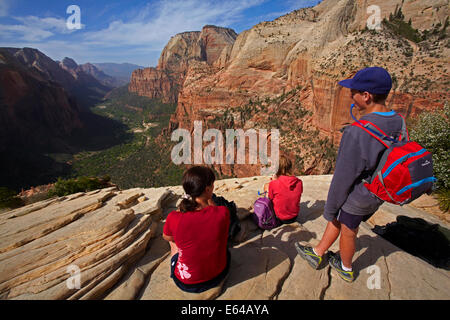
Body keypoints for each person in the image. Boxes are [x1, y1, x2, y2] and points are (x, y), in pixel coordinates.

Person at [295, 67, 404, 282]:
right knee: (341, 219)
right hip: (381, 187)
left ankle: (345, 267)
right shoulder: (398, 120)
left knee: (348, 229)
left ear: (366, 96)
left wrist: (331, 206)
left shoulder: (357, 131)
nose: (349, 94)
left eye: (353, 91)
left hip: (362, 194)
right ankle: (318, 253)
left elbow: (343, 177)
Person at [163, 166, 231, 293]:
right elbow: (214, 212)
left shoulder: (174, 217)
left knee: (173, 242)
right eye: (212, 185)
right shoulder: (223, 213)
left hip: (185, 282)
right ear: (207, 189)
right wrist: (209, 198)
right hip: (218, 275)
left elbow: (167, 237)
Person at [263, 155, 303, 224]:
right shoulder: (299, 182)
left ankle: (267, 212)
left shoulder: (274, 183)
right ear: (290, 167)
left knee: (267, 186)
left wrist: (273, 182)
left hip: (280, 218)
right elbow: (287, 189)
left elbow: (270, 198)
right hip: (294, 217)